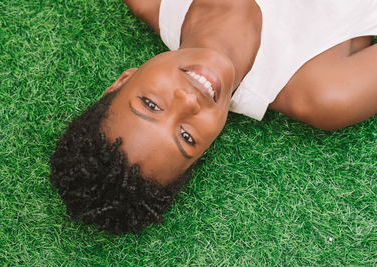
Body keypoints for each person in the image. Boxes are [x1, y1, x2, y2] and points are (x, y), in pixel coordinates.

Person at [50, 0, 377, 234]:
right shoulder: (326, 91)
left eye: (150, 105)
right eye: (186, 137)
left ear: (121, 82)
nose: (189, 101)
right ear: (204, 152)